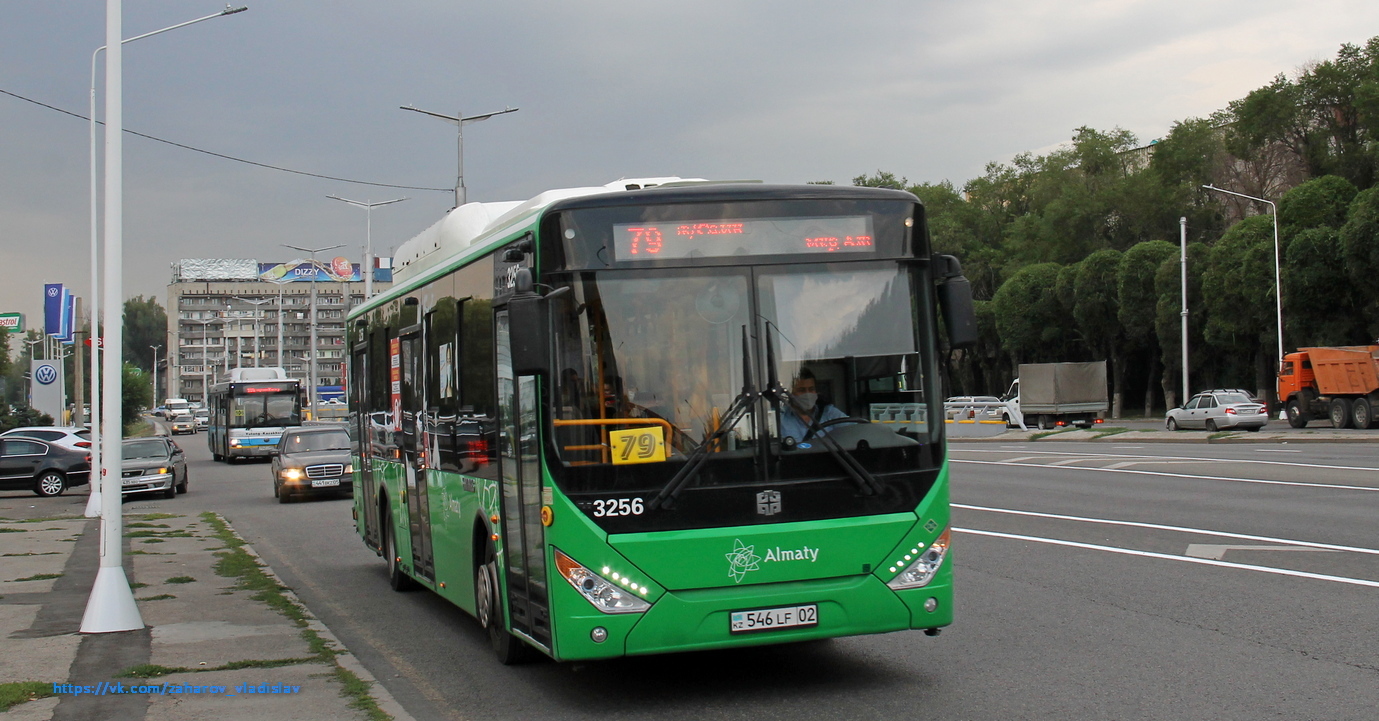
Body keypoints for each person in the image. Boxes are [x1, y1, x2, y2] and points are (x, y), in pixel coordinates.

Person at [779, 369, 847, 441]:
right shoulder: (780, 418)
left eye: (811, 389)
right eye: (802, 390)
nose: (808, 394)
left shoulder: (829, 413)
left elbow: (854, 431)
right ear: (790, 393)